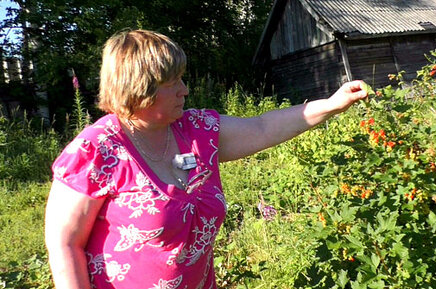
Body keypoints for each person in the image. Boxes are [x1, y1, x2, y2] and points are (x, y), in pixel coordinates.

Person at [44, 29, 368, 289]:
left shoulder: (197, 130)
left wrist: (331, 104)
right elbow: (64, 244)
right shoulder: (96, 151)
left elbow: (263, 126)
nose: (185, 90)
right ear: (138, 89)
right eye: (173, 83)